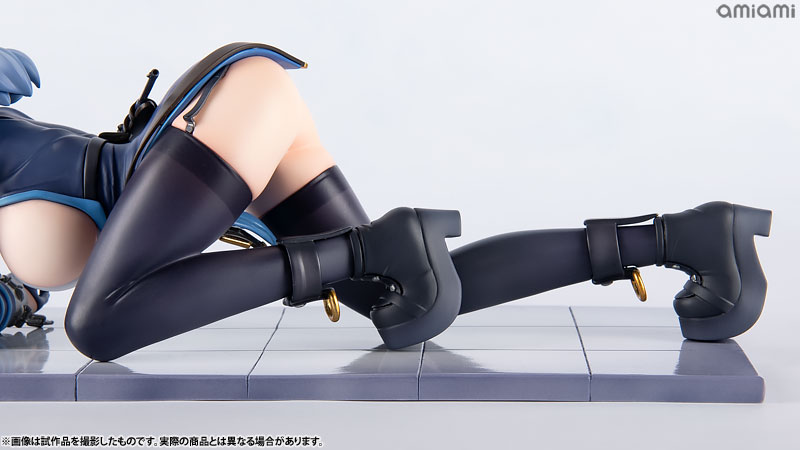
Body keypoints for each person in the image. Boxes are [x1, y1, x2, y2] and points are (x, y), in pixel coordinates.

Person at [0, 43, 772, 362]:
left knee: (101, 325)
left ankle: (370, 249)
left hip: (221, 116)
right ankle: (686, 239)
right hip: (235, 119)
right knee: (405, 295)